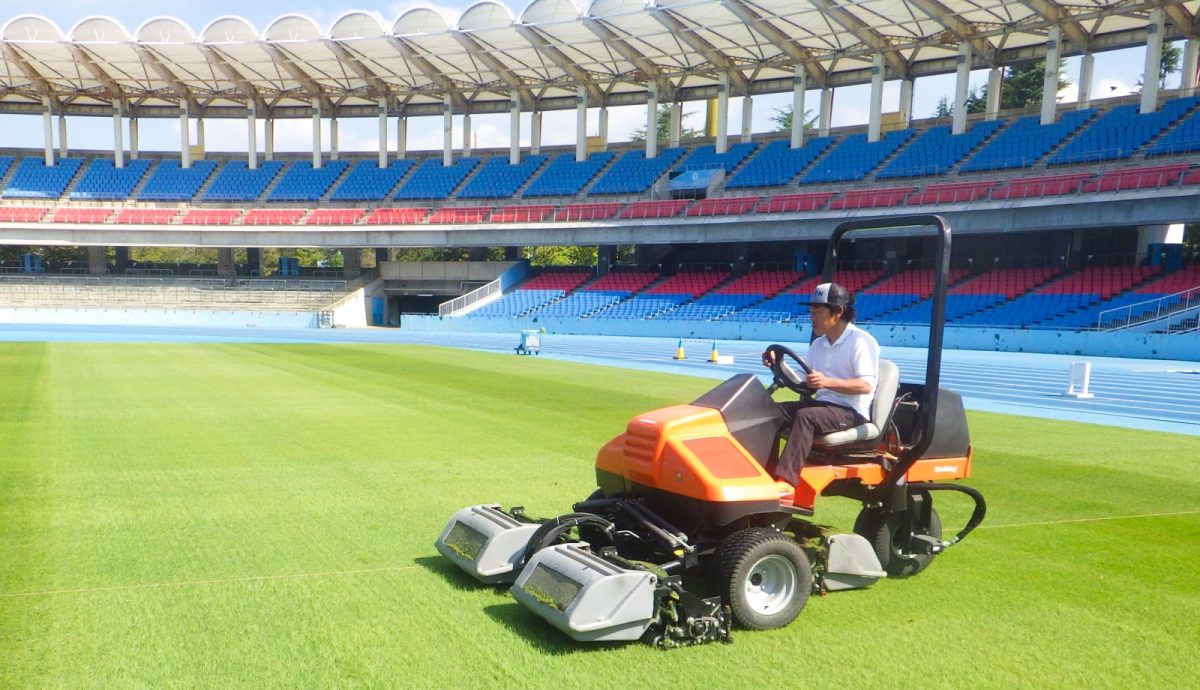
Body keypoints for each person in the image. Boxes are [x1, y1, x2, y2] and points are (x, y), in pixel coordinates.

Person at [762, 282, 880, 486]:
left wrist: (827, 382)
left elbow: (866, 385)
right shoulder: (819, 344)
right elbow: (801, 380)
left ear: (837, 312)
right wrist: (776, 364)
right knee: (772, 412)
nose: (811, 317)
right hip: (824, 406)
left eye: (816, 311)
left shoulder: (861, 342)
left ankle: (786, 481)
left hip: (851, 410)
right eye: (811, 311)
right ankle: (764, 472)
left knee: (806, 416)